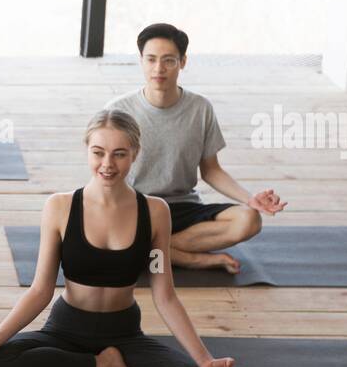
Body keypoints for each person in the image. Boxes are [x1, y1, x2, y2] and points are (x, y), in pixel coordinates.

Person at [0, 110, 240, 367]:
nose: (107, 164)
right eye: (98, 152)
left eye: (119, 154)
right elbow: (40, 289)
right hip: (65, 329)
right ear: (86, 149)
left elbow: (165, 296)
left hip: (125, 334)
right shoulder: (60, 207)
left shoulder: (155, 212)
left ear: (135, 154)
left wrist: (206, 361)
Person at [105, 22, 287, 273]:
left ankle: (151, 251)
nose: (159, 68)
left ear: (183, 62)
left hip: (182, 207)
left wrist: (250, 199)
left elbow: (211, 170)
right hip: (135, 208)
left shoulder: (200, 109)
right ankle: (190, 258)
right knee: (104, 230)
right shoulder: (117, 111)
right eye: (151, 59)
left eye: (169, 60)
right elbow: (104, 172)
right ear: (141, 61)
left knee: (249, 220)